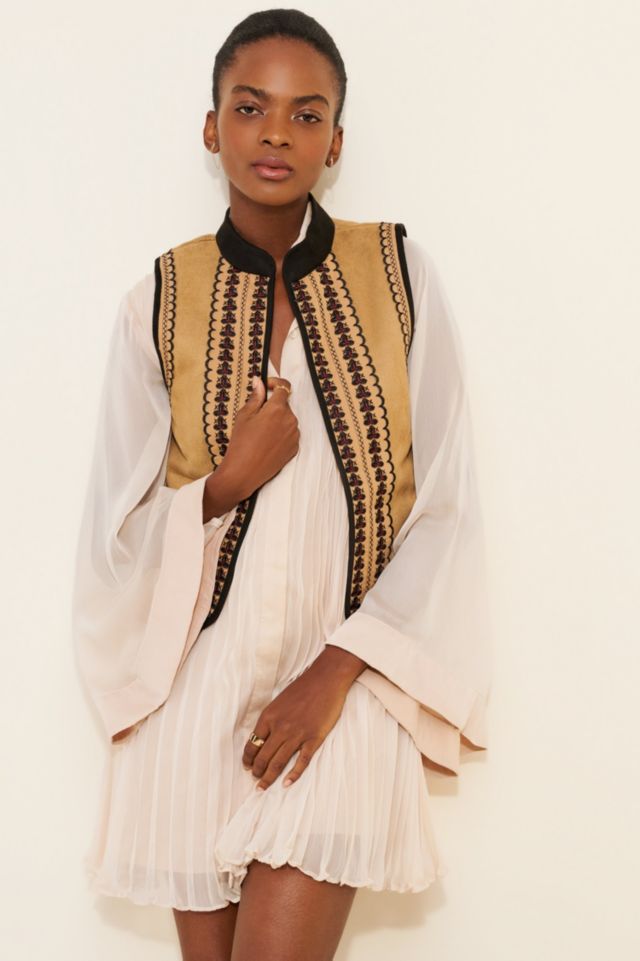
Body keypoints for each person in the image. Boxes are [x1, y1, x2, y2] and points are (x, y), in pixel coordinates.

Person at [71, 8, 492, 961]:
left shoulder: (399, 274)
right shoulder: (158, 298)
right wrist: (226, 481)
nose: (276, 133)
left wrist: (334, 671)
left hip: (343, 687)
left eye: (307, 114)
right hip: (193, 692)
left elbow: (448, 504)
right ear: (211, 126)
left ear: (336, 142)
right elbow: (113, 533)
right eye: (250, 106)